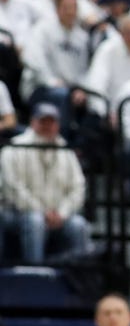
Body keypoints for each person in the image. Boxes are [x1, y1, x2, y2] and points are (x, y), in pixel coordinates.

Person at [0, 103, 91, 264]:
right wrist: (42, 212)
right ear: (33, 122)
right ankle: (36, 275)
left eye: (52, 122)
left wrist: (62, 213)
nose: (47, 126)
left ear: (58, 124)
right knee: (35, 221)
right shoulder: (13, 148)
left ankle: (81, 277)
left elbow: (78, 187)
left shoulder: (66, 150)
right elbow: (12, 188)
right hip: (18, 214)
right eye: (43, 121)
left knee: (79, 225)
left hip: (58, 215)